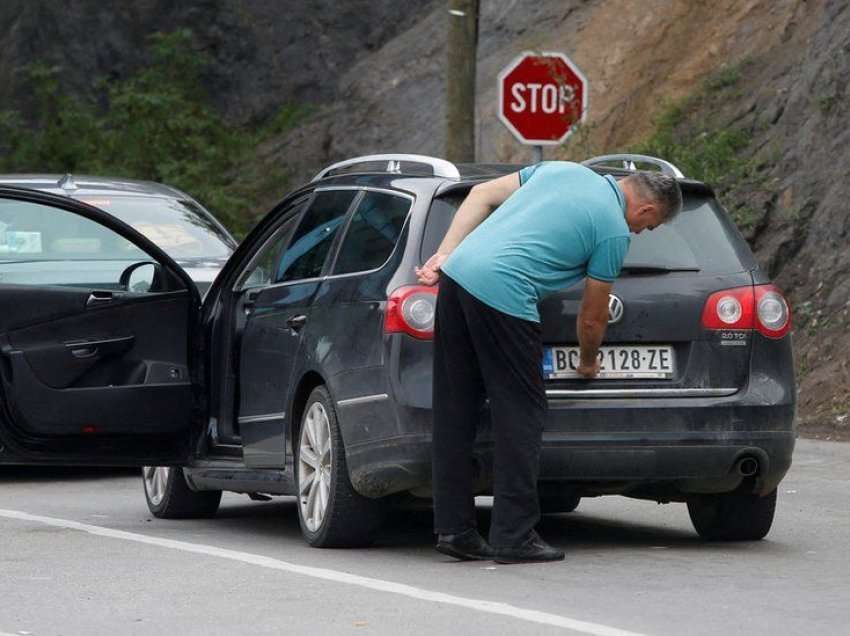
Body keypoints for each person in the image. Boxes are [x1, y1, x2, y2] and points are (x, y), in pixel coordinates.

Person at [416, 161, 683, 564]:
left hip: (456, 279)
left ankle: (455, 530)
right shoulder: (612, 229)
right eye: (648, 226)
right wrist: (589, 362)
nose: (640, 232)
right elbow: (593, 317)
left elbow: (479, 195)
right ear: (646, 210)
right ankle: (513, 535)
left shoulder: (562, 170)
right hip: (503, 294)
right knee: (521, 414)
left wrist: (444, 255)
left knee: (456, 410)